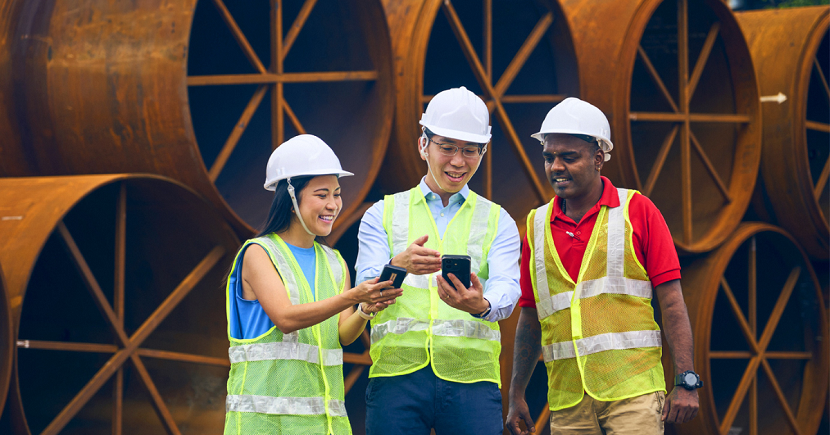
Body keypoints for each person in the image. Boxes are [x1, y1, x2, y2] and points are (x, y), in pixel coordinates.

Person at [506, 98, 700, 435]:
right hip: (568, 403)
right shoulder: (535, 226)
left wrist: (686, 380)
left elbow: (671, 302)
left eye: (569, 157)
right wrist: (516, 392)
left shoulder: (637, 210)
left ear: (598, 159)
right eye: (549, 157)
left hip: (633, 395)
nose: (556, 167)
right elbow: (530, 316)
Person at [355, 86, 522, 435]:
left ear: (483, 152)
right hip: (396, 378)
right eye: (447, 147)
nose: (458, 161)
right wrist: (398, 266)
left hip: (472, 379)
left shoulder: (498, 220)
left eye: (470, 150)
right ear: (423, 145)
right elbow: (363, 289)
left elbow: (508, 286)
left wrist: (482, 305)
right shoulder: (381, 214)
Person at [223, 134, 402, 435]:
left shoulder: (334, 262)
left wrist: (365, 309)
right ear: (291, 199)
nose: (333, 204)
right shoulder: (259, 253)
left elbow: (343, 335)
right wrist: (353, 296)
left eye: (337, 194)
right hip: (265, 426)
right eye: (321, 195)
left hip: (325, 426)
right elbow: (285, 318)